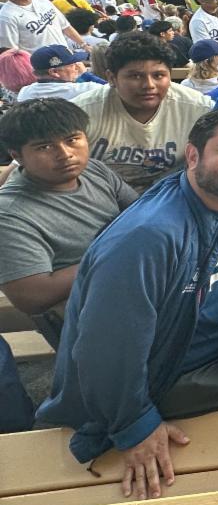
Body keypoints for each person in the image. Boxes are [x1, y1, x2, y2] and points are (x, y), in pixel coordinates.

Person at [36, 107, 218, 495]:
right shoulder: (148, 237)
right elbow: (102, 349)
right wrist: (135, 426)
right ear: (193, 156)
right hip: (166, 364)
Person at [0, 98, 137, 344]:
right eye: (44, 147)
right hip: (85, 318)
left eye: (72, 140)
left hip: (133, 284)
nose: (65, 154)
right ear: (17, 156)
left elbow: (140, 215)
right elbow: (31, 295)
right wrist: (118, 254)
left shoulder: (95, 171)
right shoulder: (10, 214)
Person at [73, 31, 213, 193]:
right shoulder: (82, 112)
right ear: (111, 78)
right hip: (101, 196)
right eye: (135, 76)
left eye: (158, 75)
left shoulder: (199, 109)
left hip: (173, 194)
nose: (149, 85)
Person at [0, 0, 89, 53]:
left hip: (66, 55)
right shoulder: (7, 17)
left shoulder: (43, 1)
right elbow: (11, 52)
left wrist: (84, 45)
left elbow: (66, 27)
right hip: (41, 64)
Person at [17, 44, 105, 102]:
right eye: (72, 65)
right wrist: (86, 74)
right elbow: (112, 92)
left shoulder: (25, 92)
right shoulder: (86, 89)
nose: (77, 67)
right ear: (54, 72)